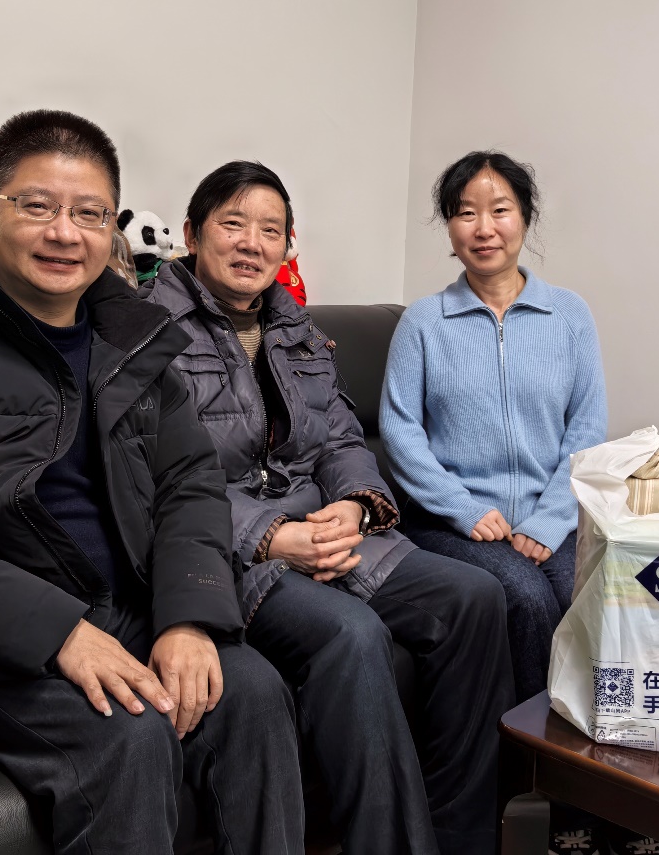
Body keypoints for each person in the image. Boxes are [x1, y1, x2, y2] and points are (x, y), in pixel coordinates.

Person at [0, 111, 303, 855]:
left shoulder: (133, 335)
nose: (64, 233)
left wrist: (187, 619)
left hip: (123, 607)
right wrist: (58, 632)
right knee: (129, 732)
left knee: (253, 692)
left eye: (90, 214)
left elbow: (190, 485)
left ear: (113, 228)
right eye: (37, 206)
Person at [143, 161, 514, 855]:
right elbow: (158, 477)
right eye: (232, 224)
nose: (252, 243)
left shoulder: (297, 329)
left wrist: (357, 506)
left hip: (326, 527)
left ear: (287, 246)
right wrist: (270, 536)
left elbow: (342, 438)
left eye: (270, 230)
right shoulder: (145, 333)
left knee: (475, 597)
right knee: (352, 634)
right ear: (191, 234)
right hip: (225, 551)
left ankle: (463, 836)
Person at [381, 150, 606, 706]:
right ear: (450, 226)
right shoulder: (424, 322)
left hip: (547, 518)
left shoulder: (570, 316)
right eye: (466, 213)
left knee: (582, 594)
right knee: (527, 597)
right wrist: (464, 509)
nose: (484, 229)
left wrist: (550, 519)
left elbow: (587, 430)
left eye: (499, 210)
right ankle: (529, 750)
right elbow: (400, 430)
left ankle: (583, 751)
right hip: (451, 522)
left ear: (525, 217)